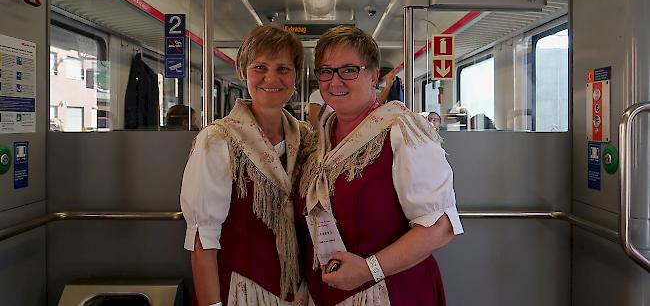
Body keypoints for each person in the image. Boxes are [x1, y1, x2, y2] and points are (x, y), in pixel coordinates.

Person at [296, 26, 463, 306]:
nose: (335, 81)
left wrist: (368, 269)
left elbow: (440, 226)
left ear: (373, 76)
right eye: (326, 71)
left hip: (391, 294)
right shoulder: (319, 140)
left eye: (349, 70)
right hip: (328, 293)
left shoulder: (403, 132)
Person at [180, 25, 310, 306]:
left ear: (296, 76)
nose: (271, 78)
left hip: (298, 291)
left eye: (283, 69)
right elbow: (204, 239)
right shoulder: (218, 141)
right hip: (240, 289)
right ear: (243, 72)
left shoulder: (306, 139)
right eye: (260, 67)